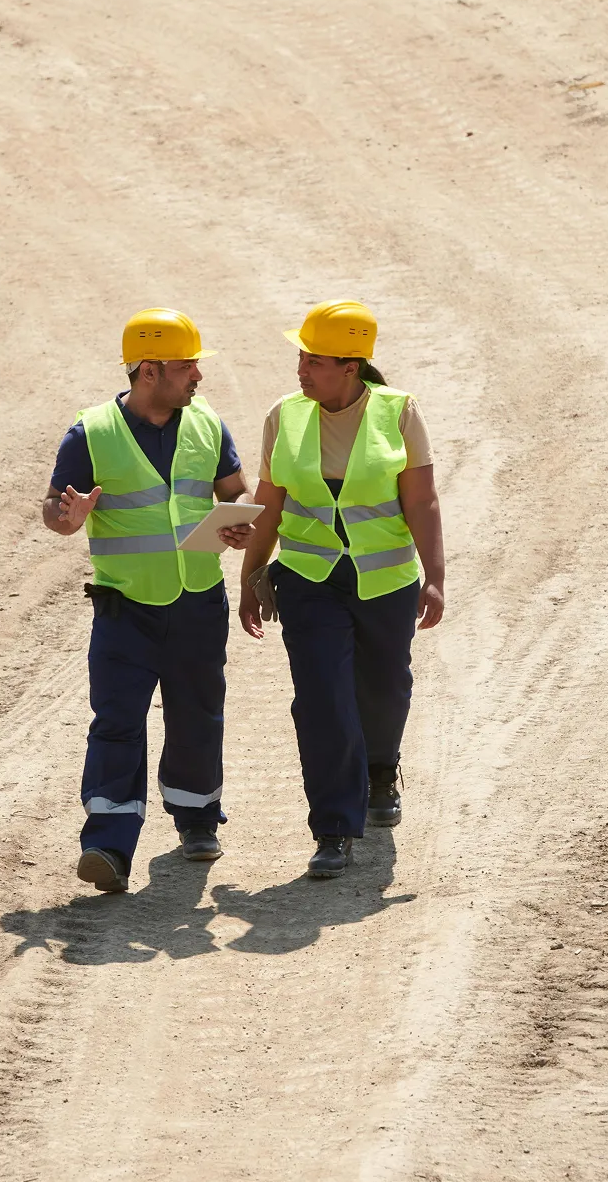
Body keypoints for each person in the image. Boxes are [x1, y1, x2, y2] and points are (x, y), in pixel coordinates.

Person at [43, 307, 253, 894]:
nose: (198, 377)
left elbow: (236, 492)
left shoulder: (208, 426)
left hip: (197, 603)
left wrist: (240, 525)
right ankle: (108, 845)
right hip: (124, 608)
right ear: (151, 371)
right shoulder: (91, 433)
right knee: (116, 722)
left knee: (196, 715)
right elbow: (53, 511)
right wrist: (69, 517)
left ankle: (197, 818)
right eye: (188, 367)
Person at [239, 299, 444, 879]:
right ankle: (332, 827)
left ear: (351, 366)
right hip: (307, 582)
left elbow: (421, 500)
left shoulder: (399, 413)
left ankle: (381, 770)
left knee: (384, 689)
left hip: (385, 582)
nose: (300, 369)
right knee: (322, 699)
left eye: (314, 360)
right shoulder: (285, 415)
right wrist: (252, 575)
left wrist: (436, 579)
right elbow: (270, 502)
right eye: (301, 356)